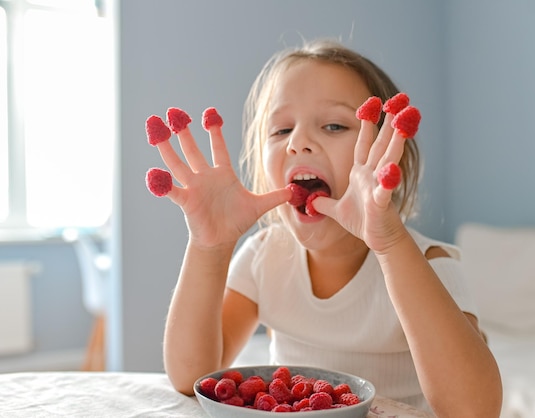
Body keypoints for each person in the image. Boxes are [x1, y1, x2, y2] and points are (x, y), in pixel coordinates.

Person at [153, 38, 502, 416]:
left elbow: (475, 410)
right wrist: (209, 247)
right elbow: (191, 376)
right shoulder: (263, 257)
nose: (299, 143)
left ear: (386, 152)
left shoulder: (431, 265)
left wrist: (390, 244)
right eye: (281, 130)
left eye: (334, 125)